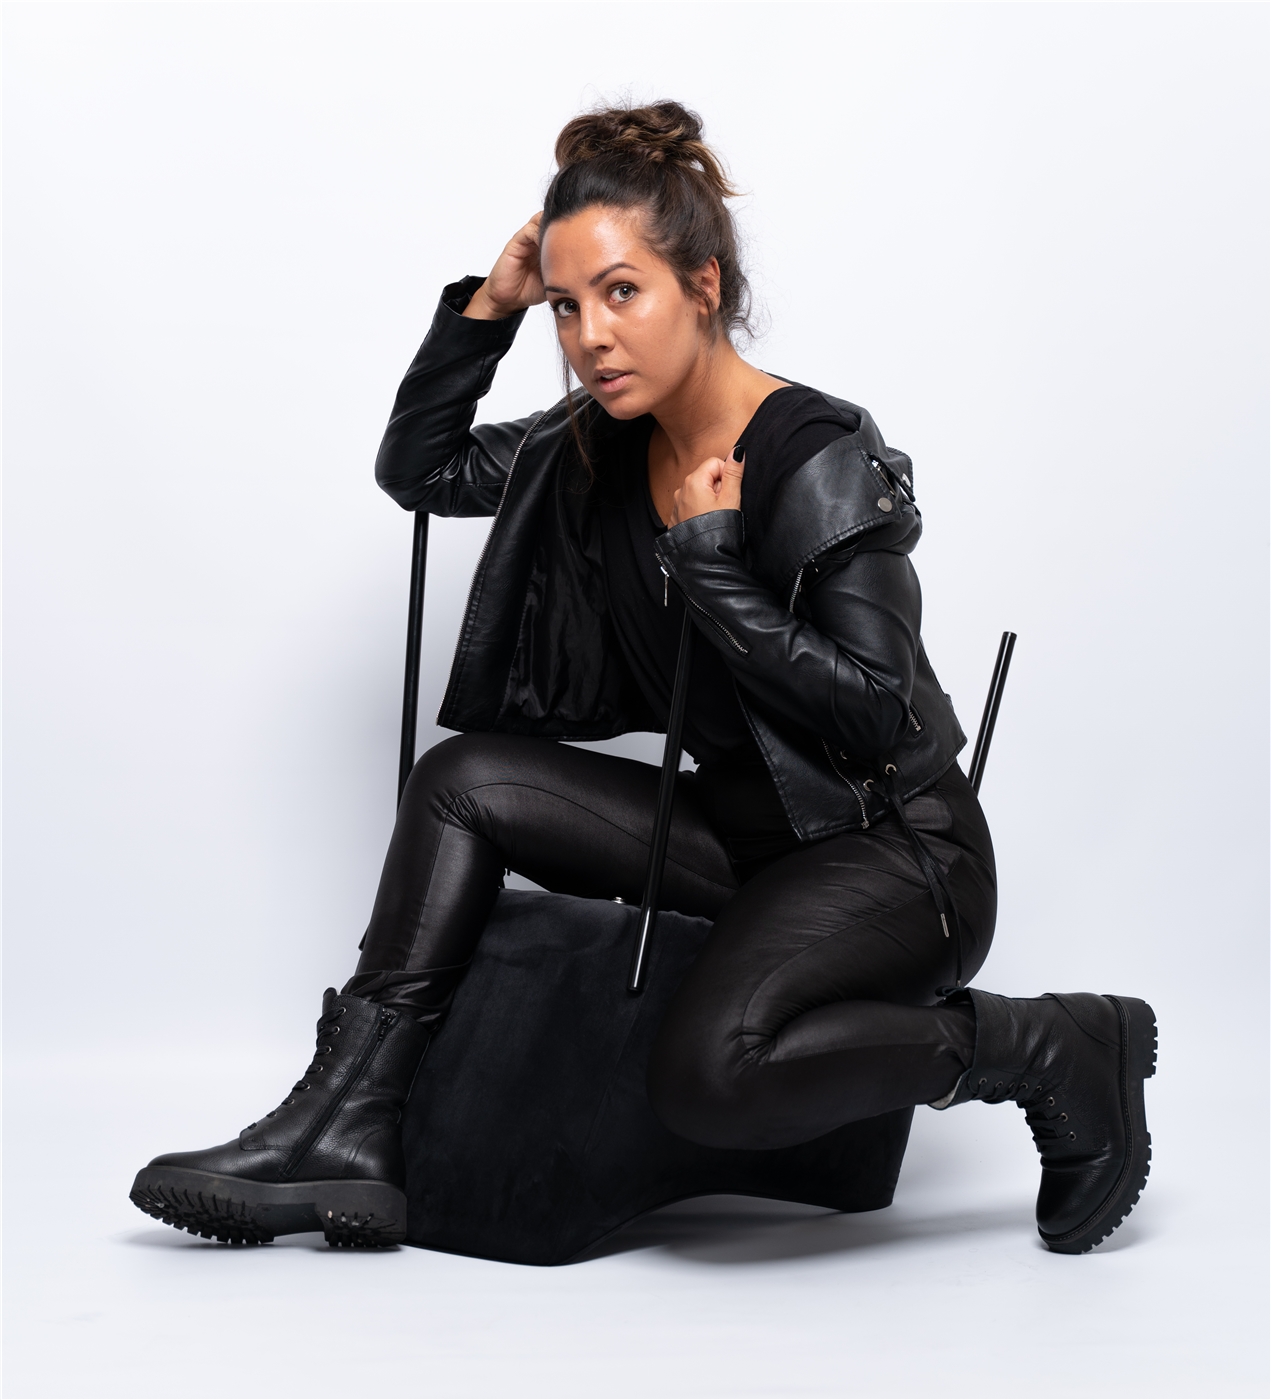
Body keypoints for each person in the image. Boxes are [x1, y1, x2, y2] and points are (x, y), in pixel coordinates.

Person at [131, 101, 1155, 1255]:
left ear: (702, 286)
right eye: (568, 307)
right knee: (460, 782)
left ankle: (1049, 1043)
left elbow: (877, 711)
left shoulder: (814, 456)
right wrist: (490, 307)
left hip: (896, 853)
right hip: (739, 838)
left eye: (621, 292)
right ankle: (346, 1116)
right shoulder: (596, 444)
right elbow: (422, 468)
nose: (590, 336)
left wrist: (711, 567)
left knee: (711, 1071)